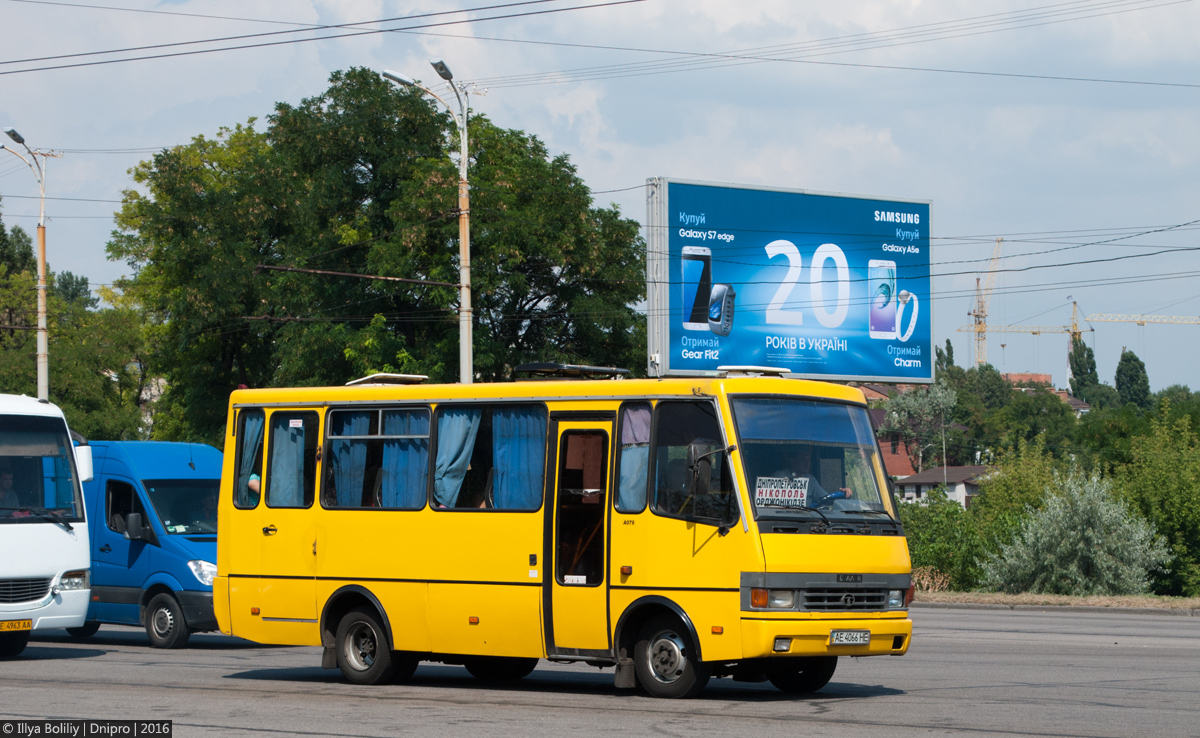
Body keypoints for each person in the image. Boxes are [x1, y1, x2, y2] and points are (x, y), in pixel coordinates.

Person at [774, 446, 853, 507]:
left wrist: (844, 494)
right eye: (803, 460)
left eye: (808, 461)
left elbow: (827, 499)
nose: (807, 464)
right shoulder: (779, 477)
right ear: (793, 460)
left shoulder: (810, 480)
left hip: (806, 520)